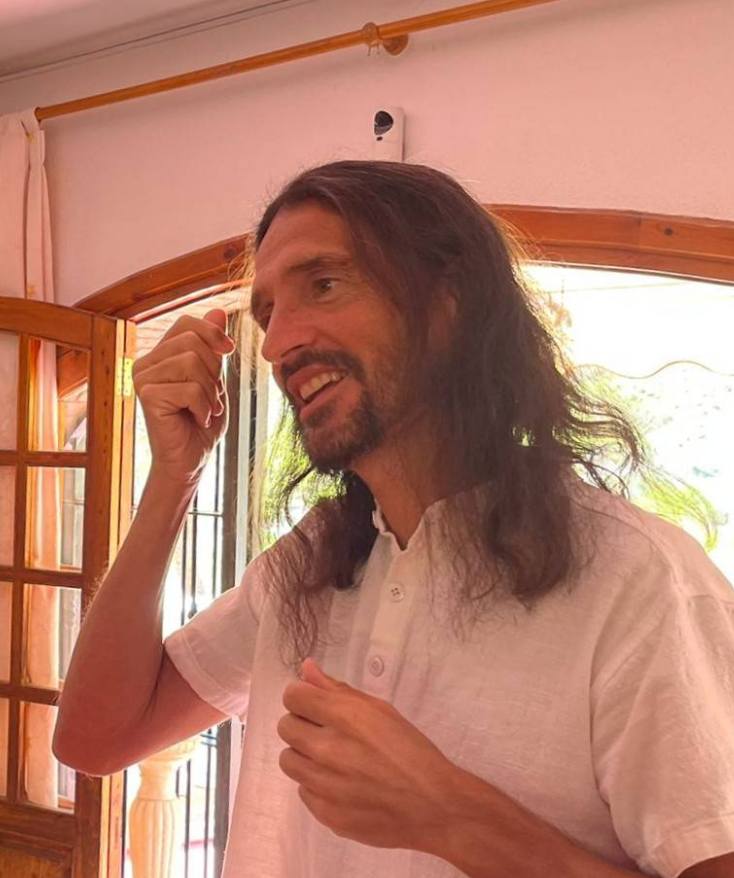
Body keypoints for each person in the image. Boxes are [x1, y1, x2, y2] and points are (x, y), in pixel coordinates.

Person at [54, 161, 734, 878]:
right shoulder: (304, 567)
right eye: (266, 314)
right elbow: (96, 739)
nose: (279, 344)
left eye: (324, 284)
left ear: (450, 302)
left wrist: (454, 817)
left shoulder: (640, 582)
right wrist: (174, 475)